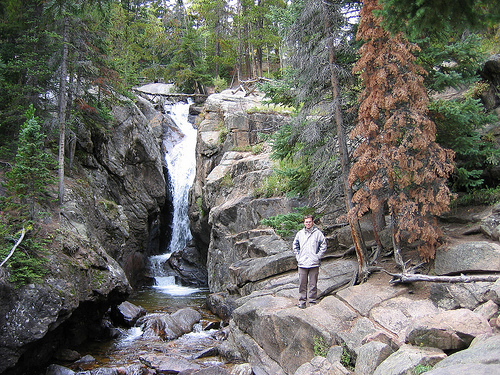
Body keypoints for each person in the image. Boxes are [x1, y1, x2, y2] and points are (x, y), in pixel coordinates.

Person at [293, 215, 327, 308]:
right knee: (302, 284)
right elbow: (295, 246)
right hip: (302, 263)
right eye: (306, 222)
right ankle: (302, 302)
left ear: (312, 222)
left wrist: (317, 256)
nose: (308, 223)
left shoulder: (318, 233)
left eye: (309, 221)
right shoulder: (300, 234)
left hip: (314, 263)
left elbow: (323, 245)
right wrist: (298, 257)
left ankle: (312, 302)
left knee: (313, 284)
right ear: (304, 223)